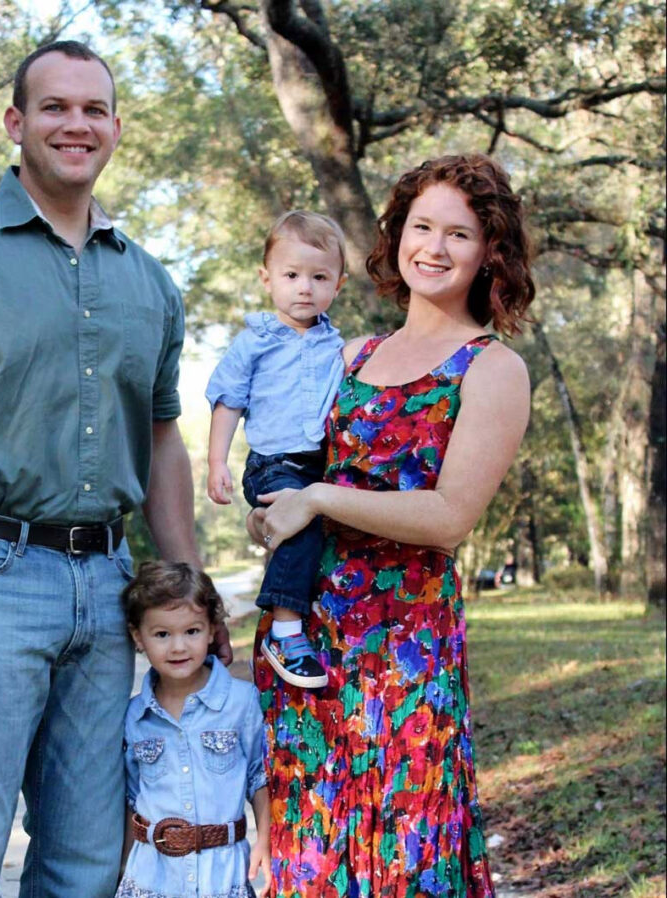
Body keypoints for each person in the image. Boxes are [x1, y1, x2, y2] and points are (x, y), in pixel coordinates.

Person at [0, 41, 228, 898]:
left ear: (116, 130)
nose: (76, 124)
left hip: (107, 585)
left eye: (93, 109)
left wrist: (187, 587)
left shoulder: (149, 282)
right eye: (55, 107)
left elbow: (163, 437)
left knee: (90, 857)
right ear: (18, 123)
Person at [245, 154, 534, 895]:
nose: (433, 248)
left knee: (408, 849)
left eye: (460, 234)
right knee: (307, 850)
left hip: (405, 649)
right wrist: (274, 512)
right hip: (307, 643)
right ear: (396, 235)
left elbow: (449, 517)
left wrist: (317, 498)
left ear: (490, 252)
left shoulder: (490, 368)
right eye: (421, 226)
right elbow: (286, 465)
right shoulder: (346, 355)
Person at [205, 211, 348, 690]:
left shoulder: (338, 346)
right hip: (274, 464)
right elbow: (228, 401)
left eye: (319, 277)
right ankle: (284, 631)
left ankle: (313, 621)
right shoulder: (255, 343)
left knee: (325, 530)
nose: (304, 287)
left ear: (339, 284)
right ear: (267, 279)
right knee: (299, 521)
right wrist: (215, 462)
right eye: (291, 275)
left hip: (320, 468)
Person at [118, 562, 269, 898]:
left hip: (220, 876)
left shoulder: (241, 703)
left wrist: (266, 843)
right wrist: (123, 866)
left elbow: (260, 778)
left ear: (213, 629)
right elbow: (132, 799)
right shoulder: (133, 716)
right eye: (162, 634)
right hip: (151, 878)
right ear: (137, 637)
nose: (178, 647)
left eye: (191, 632)